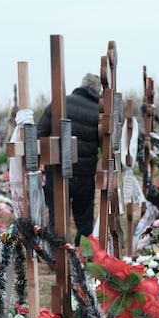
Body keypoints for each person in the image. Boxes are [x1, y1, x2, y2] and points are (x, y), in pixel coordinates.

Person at [37, 73, 102, 244]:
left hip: (57, 172)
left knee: (57, 217)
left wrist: (41, 161)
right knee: (84, 219)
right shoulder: (99, 111)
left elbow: (39, 133)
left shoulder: (59, 104)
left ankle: (57, 252)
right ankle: (83, 253)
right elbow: (104, 143)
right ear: (97, 91)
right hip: (84, 175)